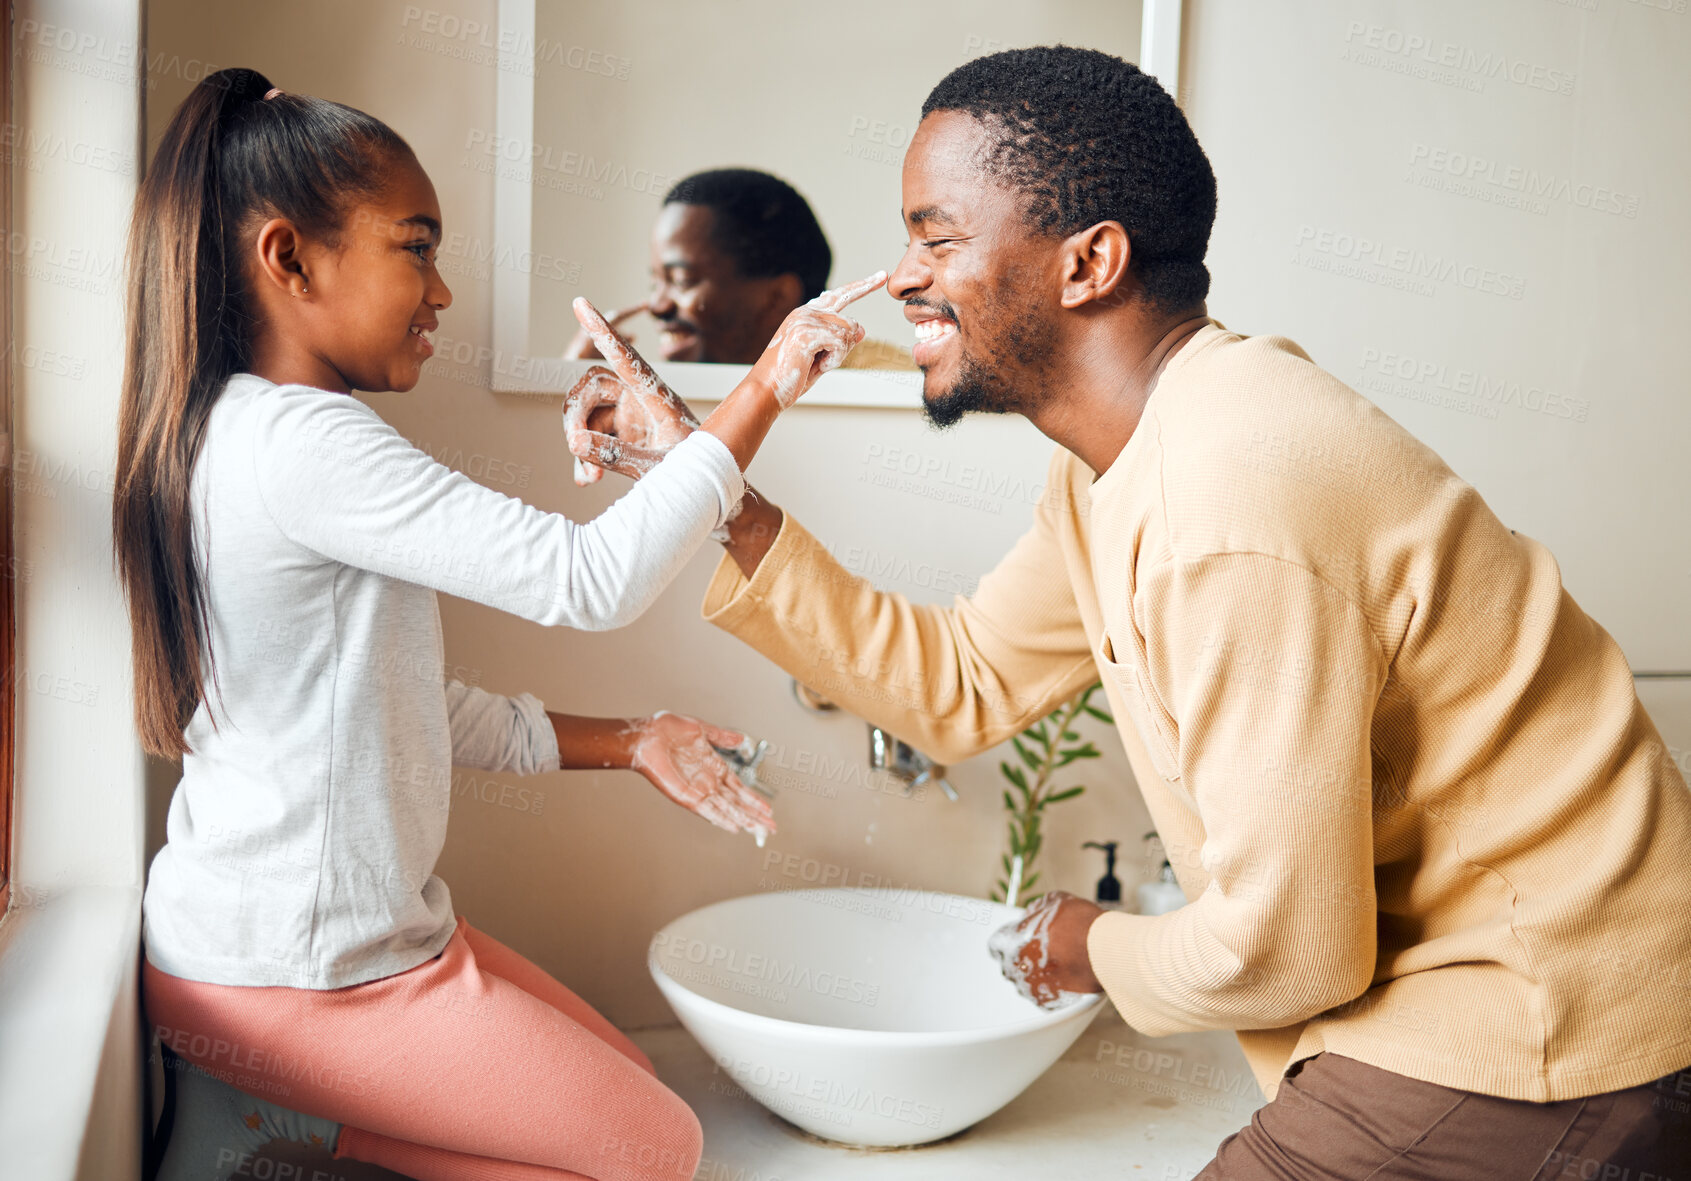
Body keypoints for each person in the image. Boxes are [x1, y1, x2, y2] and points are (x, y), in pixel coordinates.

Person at [569, 46, 1691, 1178]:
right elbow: (957, 683)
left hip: (1542, 1019)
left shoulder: (1230, 491)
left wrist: (1095, 942)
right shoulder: (1126, 460)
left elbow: (1289, 949)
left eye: (935, 235)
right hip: (1437, 1013)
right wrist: (710, 489)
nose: (899, 278)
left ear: (1087, 261)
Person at [117, 67, 880, 1180]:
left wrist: (632, 741)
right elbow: (588, 580)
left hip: (295, 948)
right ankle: (272, 1126)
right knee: (656, 1150)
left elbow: (404, 707)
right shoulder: (305, 444)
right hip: (296, 972)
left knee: (638, 1100)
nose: (442, 291)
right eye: (414, 246)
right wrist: (763, 383)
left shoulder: (237, 428)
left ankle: (283, 1121)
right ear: (288, 257)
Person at [564, 167, 913, 370]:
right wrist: (569, 386)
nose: (657, 306)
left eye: (682, 280)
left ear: (777, 297)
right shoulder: (651, 397)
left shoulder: (887, 386)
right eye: (656, 282)